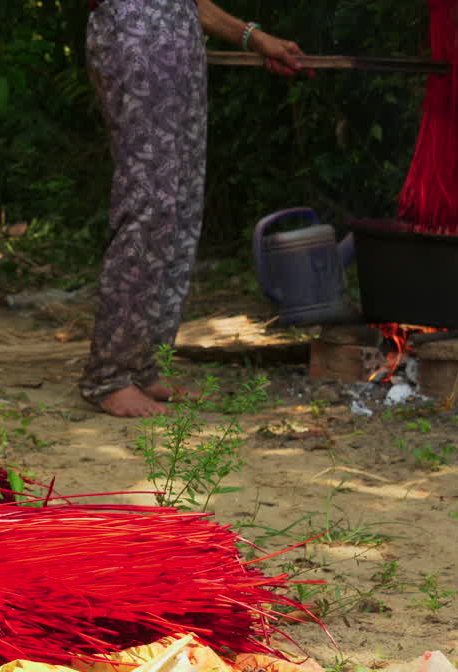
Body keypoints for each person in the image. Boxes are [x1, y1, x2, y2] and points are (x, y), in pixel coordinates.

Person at [81, 0, 308, 417]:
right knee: (148, 202)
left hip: (177, 38)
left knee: (180, 205)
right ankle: (108, 376)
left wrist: (254, 38)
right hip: (135, 34)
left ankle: (143, 365)